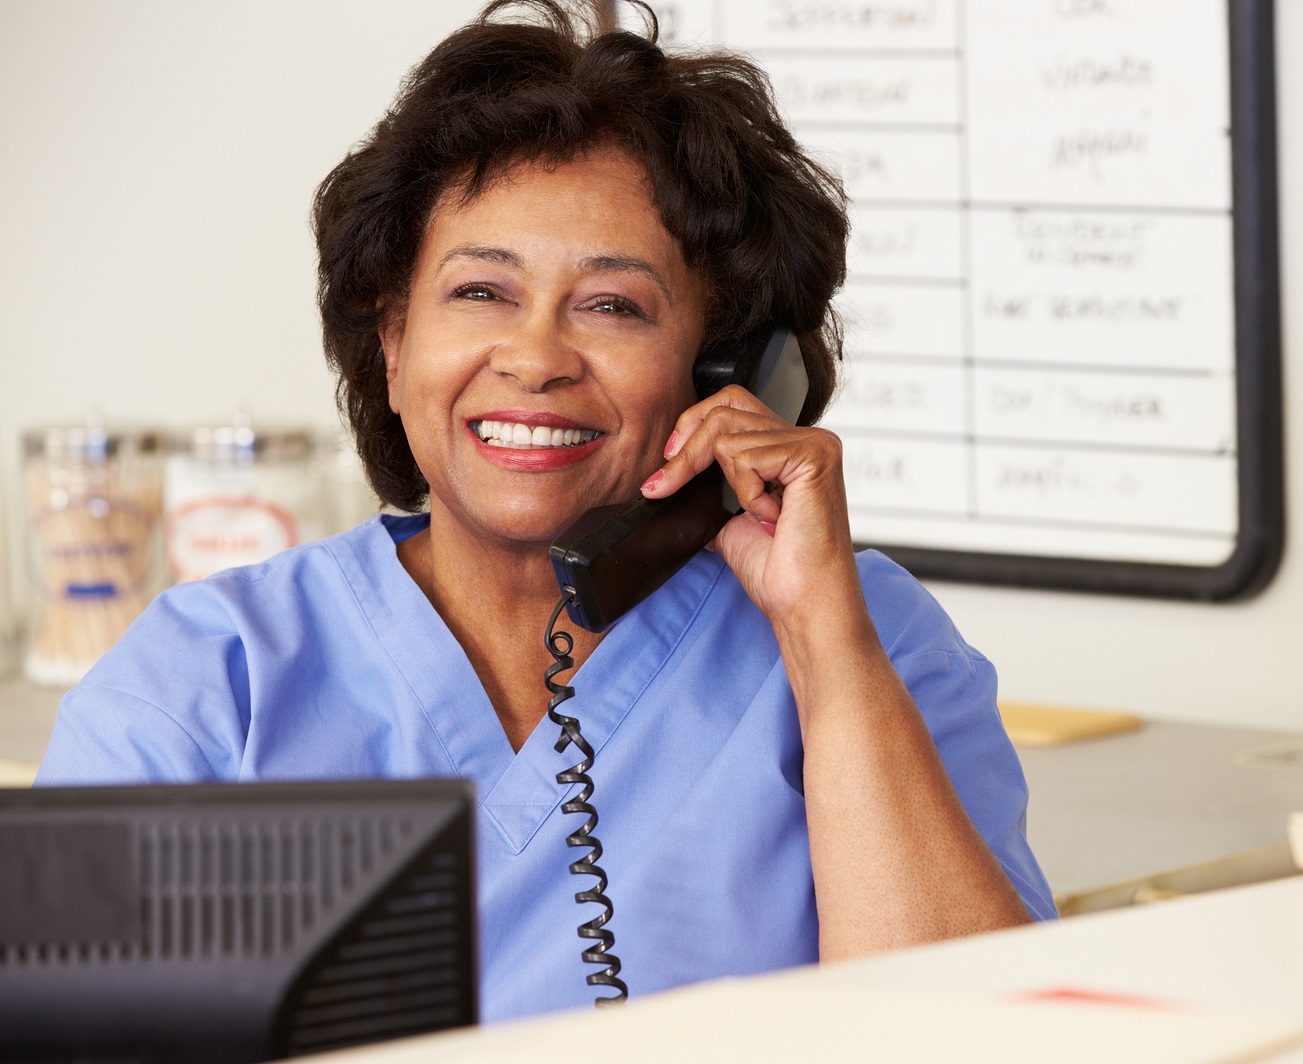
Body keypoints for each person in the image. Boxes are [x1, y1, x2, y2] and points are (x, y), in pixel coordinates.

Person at [38, 0, 1055, 1023]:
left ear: (723, 374)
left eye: (613, 304)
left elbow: (984, 1036)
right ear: (392, 341)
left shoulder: (868, 641)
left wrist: (825, 649)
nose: (534, 357)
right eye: (480, 291)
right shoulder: (206, 685)